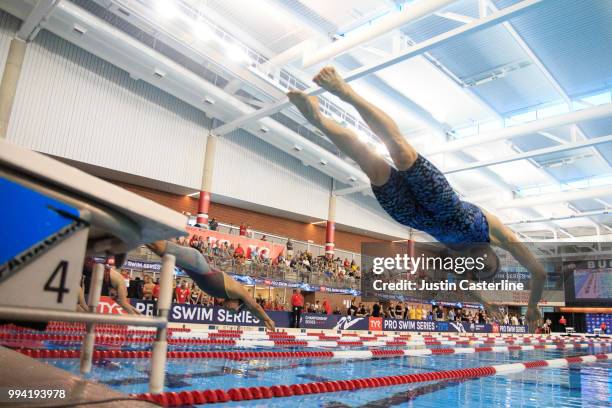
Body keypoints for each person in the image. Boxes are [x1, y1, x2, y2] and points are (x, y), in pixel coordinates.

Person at [287, 66, 547, 331]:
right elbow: (539, 273)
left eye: (479, 270)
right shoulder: (497, 234)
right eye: (487, 266)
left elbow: (464, 285)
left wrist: (487, 305)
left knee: (370, 163)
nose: (481, 266)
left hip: (413, 215)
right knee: (400, 151)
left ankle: (317, 118)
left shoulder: (463, 263)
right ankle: (346, 92)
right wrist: (533, 305)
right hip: (443, 202)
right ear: (496, 256)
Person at [146, 240, 275, 331]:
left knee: (157, 249)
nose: (228, 310)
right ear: (238, 302)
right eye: (232, 310)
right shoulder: (237, 290)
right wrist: (267, 319)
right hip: (196, 262)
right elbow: (254, 306)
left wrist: (262, 320)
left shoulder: (225, 295)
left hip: (190, 266)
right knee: (157, 246)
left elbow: (252, 310)